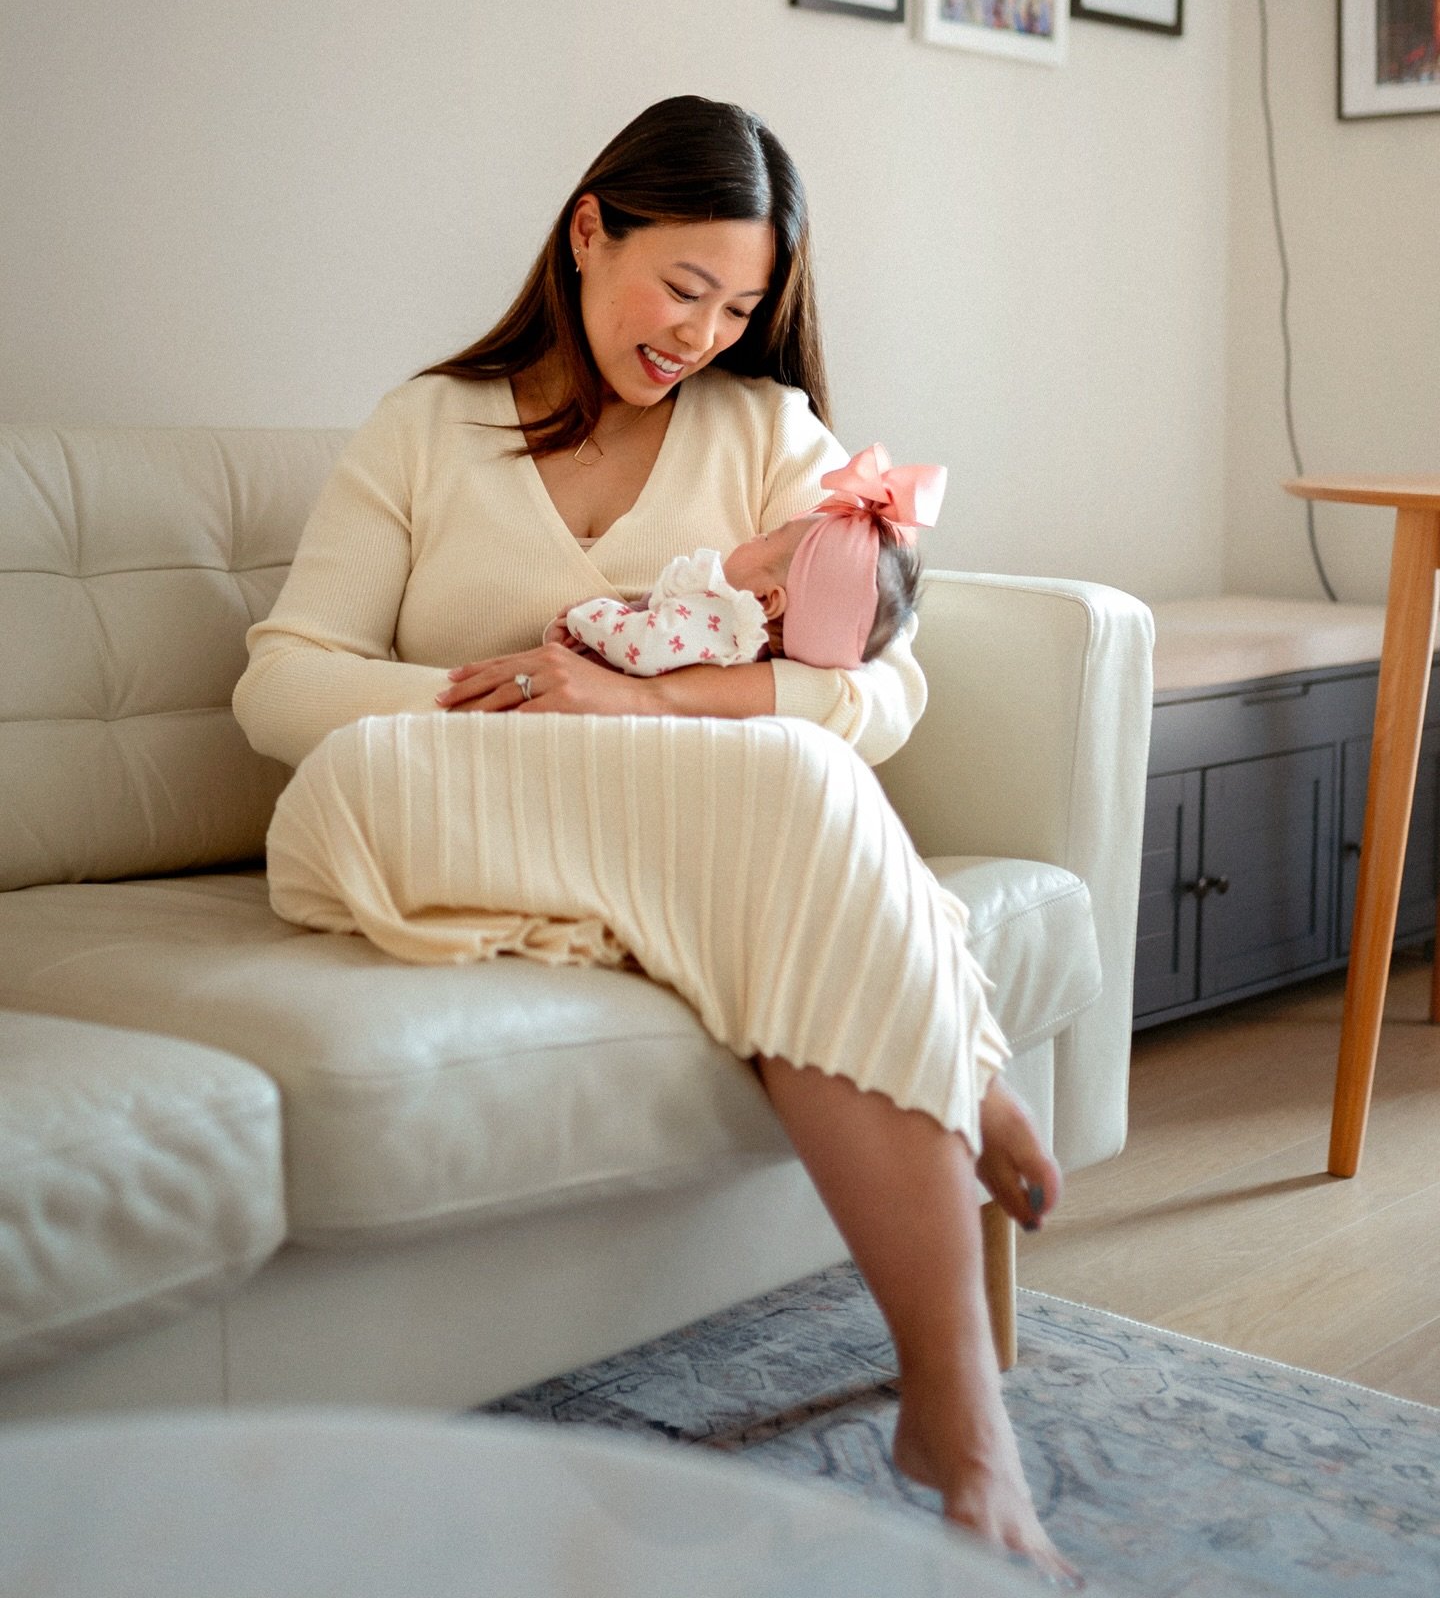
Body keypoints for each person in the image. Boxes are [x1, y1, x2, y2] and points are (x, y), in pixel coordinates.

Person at [232, 95, 1077, 1586]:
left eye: (739, 308)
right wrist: (508, 701)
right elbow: (283, 681)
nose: (701, 334)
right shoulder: (427, 426)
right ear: (589, 231)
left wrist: (641, 699)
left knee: (796, 777)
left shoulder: (764, 432)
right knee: (785, 784)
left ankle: (960, 1417)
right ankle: (960, 1048)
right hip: (418, 803)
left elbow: (881, 689)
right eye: (683, 287)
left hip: (666, 835)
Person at [548, 444, 942, 679]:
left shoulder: (716, 626)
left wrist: (587, 617)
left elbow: (642, 642)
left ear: (767, 599)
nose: (756, 535)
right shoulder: (739, 644)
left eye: (768, 538)